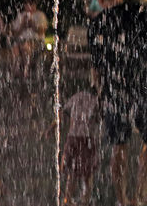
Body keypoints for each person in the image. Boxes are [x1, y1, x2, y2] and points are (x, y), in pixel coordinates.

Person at [88, 0, 147, 206]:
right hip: (146, 83)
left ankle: (121, 199)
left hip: (115, 88)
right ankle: (138, 197)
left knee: (119, 146)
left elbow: (96, 69)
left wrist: (100, 94)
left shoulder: (98, 22)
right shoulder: (142, 10)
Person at [60, 76, 100, 206]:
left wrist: (50, 129)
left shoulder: (76, 96)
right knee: (88, 174)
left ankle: (68, 199)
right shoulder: (96, 100)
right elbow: (98, 119)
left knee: (72, 171)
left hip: (72, 137)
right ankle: (85, 201)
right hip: (87, 138)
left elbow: (63, 113)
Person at [11, 0, 48, 79]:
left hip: (36, 41)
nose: (29, 7)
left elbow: (42, 31)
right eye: (26, 5)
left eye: (31, 4)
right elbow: (14, 33)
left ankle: (26, 70)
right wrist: (22, 25)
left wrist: (32, 24)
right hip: (21, 41)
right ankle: (17, 69)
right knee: (16, 47)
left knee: (25, 46)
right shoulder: (21, 15)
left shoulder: (40, 15)